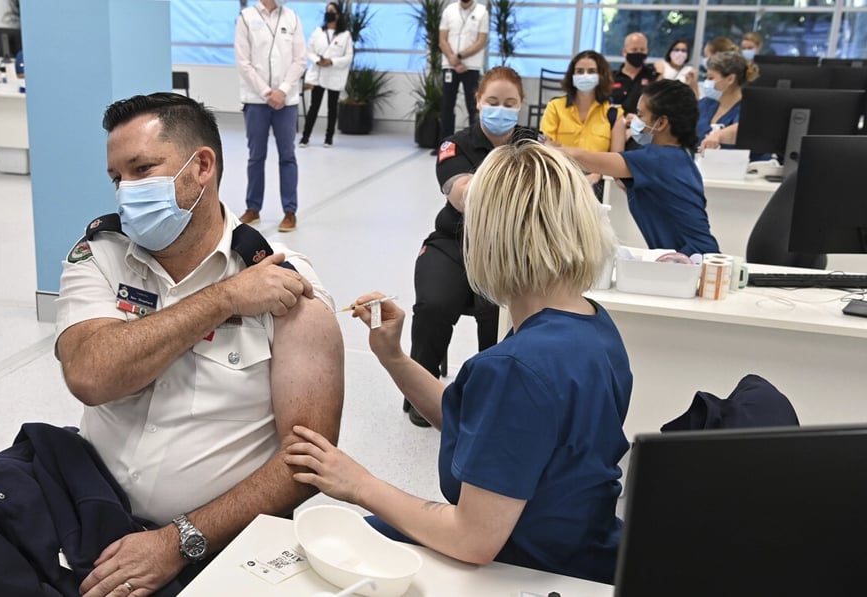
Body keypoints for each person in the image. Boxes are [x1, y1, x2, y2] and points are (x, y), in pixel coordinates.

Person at [0, 93, 345, 597]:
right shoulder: (100, 255)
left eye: (142, 169)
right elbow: (91, 377)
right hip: (82, 488)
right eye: (118, 178)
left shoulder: (285, 284)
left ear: (201, 166)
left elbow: (305, 462)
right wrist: (223, 299)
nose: (126, 192)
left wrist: (178, 541)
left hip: (207, 530)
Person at [285, 141, 633, 585]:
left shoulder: (518, 366)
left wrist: (357, 483)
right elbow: (489, 427)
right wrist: (394, 357)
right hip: (588, 549)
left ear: (490, 236)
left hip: (534, 569)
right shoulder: (588, 326)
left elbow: (473, 539)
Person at [406, 65, 541, 427]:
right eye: (493, 101)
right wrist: (517, 181)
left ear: (521, 105)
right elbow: (462, 195)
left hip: (509, 251)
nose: (500, 108)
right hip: (453, 243)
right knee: (434, 305)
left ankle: (493, 396)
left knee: (496, 312)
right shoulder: (456, 144)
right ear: (478, 100)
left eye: (509, 102)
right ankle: (421, 391)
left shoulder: (533, 142)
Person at [551, 79, 720, 255]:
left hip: (693, 262)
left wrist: (542, 150)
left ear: (661, 123)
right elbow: (625, 182)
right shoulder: (680, 156)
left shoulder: (657, 159)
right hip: (690, 260)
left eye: (640, 115)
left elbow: (582, 157)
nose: (634, 122)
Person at [234, 0, 307, 232]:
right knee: (256, 156)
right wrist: (267, 92)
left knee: (288, 155)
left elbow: (300, 60)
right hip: (256, 100)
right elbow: (243, 62)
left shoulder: (292, 17)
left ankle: (290, 212)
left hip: (286, 101)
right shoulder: (246, 17)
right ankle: (253, 208)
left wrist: (282, 90)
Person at [541, 50, 619, 200]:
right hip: (560, 178)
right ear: (572, 75)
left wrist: (598, 172)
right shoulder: (555, 107)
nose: (585, 75)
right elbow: (546, 146)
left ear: (601, 75)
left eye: (591, 71)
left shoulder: (614, 113)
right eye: (579, 71)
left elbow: (616, 159)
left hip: (597, 183)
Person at [300, 2, 353, 148]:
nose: (329, 14)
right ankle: (305, 137)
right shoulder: (318, 32)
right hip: (319, 73)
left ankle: (328, 138)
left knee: (332, 108)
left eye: (332, 11)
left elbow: (348, 57)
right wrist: (318, 60)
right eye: (327, 11)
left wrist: (332, 61)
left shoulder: (345, 35)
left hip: (334, 74)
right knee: (314, 107)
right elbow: (308, 50)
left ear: (338, 15)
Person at [437, 0, 490, 147]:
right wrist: (453, 60)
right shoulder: (449, 10)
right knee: (447, 104)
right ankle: (445, 144)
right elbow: (442, 39)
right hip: (449, 64)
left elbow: (481, 41)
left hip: (471, 66)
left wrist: (459, 57)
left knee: (473, 105)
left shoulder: (482, 12)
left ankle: (474, 143)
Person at [696, 51, 759, 150]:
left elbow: (744, 129)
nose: (707, 82)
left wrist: (719, 135)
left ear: (730, 79)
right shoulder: (704, 104)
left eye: (711, 78)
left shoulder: (749, 109)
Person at [610, 32, 657, 115]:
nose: (639, 53)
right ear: (624, 51)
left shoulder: (654, 77)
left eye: (642, 50)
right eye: (634, 49)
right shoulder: (611, 78)